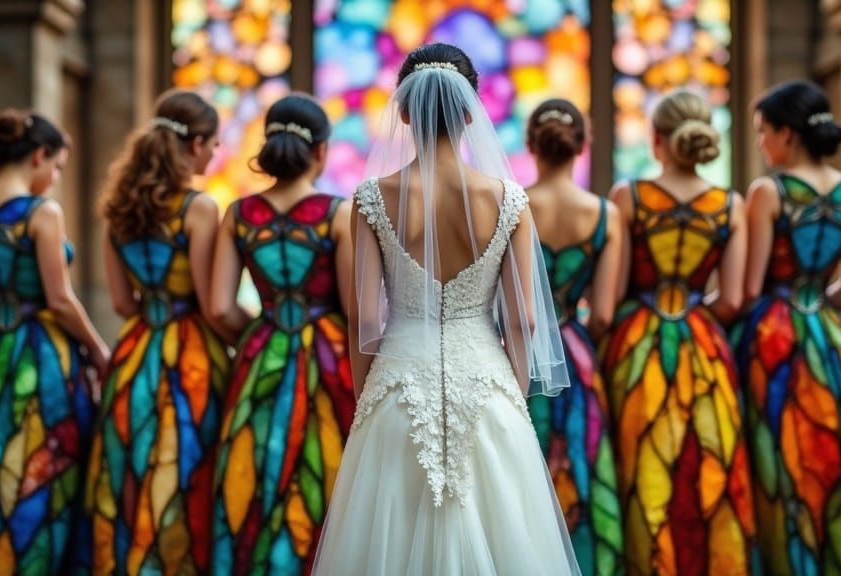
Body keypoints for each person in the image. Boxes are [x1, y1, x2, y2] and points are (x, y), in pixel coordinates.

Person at [312, 43, 579, 575]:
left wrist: (366, 401)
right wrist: (513, 395)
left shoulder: (371, 198)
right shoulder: (508, 200)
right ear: (470, 112)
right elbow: (523, 320)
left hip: (397, 386)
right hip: (485, 384)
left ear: (404, 112)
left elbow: (365, 319)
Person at [735, 80, 841, 575]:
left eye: (763, 132)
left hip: (774, 339)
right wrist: (813, 308)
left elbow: (749, 290)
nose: (760, 143)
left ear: (788, 134)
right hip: (830, 339)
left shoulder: (769, 191)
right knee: (835, 453)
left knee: (777, 454)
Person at [0, 109, 106, 574]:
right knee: (42, 472)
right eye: (58, 167)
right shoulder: (42, 213)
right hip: (45, 358)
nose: (55, 178)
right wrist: (98, 349)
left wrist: (2, 325)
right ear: (39, 155)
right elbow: (60, 300)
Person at [602, 89, 755, 575]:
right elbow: (732, 300)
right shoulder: (730, 205)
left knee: (642, 464)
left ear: (656, 140)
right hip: (703, 345)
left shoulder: (629, 197)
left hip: (638, 344)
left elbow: (614, 291)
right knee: (706, 464)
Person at [209, 93, 355, 575]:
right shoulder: (338, 213)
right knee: (328, 468)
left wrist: (259, 335)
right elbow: (355, 309)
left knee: (256, 472)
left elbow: (219, 307)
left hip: (262, 352)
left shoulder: (239, 214)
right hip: (330, 358)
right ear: (321, 151)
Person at [87, 89, 229, 574]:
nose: (215, 154)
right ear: (195, 144)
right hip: (191, 357)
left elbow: (121, 303)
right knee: (185, 468)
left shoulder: (118, 209)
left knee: (132, 467)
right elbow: (211, 304)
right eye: (214, 144)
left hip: (134, 353)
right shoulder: (198, 208)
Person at [524, 98, 625, 575]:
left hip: (521, 354)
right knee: (580, 462)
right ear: (582, 146)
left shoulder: (512, 204)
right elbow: (602, 313)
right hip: (577, 355)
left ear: (531, 146)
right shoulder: (605, 214)